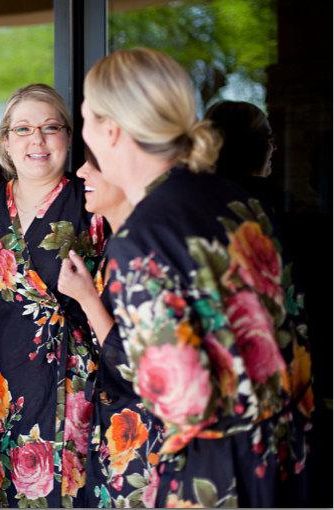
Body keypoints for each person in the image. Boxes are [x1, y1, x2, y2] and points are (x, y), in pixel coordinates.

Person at [80, 47, 312, 507]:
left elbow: (184, 401)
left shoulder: (141, 238)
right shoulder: (236, 199)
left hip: (217, 473)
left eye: (86, 118)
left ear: (111, 129)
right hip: (291, 447)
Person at [0, 83, 105, 507]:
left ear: (69, 138)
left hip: (80, 378)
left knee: (75, 493)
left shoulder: (92, 201)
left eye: (50, 127)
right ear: (5, 141)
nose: (37, 139)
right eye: (23, 129)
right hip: (8, 379)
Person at [58, 155, 165, 507]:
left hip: (146, 440)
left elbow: (139, 364)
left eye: (96, 163)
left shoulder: (144, 251)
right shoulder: (114, 245)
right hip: (113, 432)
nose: (81, 172)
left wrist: (88, 298)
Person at [204, 100, 280, 214]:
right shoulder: (270, 202)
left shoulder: (195, 194)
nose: (274, 147)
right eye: (268, 137)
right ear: (248, 144)